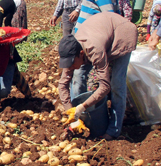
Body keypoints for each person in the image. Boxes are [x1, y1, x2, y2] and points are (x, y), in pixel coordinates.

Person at [58, 12, 137, 140]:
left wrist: (83, 106)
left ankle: (113, 130)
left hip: (122, 34)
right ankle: (80, 121)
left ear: (81, 54)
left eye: (72, 63)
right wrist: (71, 112)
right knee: (77, 78)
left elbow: (105, 87)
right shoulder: (71, 50)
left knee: (116, 84)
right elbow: (63, 84)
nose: (70, 67)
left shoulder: (95, 49)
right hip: (102, 31)